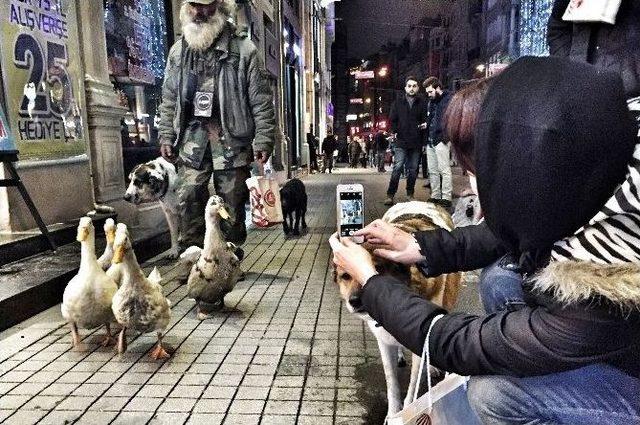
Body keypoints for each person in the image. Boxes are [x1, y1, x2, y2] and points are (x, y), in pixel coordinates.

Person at [329, 57, 640, 424]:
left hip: (625, 365)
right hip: (608, 340)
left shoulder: (607, 282)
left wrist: (372, 283)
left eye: (481, 168)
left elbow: (454, 343)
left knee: (493, 393)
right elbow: (511, 232)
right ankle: (532, 360)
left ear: (525, 166)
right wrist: (419, 246)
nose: (475, 187)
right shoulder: (598, 161)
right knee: (501, 275)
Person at [158, 0, 275, 253]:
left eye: (207, 6)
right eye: (194, 6)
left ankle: (228, 257)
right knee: (188, 196)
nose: (199, 12)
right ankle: (193, 258)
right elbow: (168, 97)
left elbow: (261, 100)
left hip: (231, 139)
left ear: (220, 7)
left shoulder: (245, 50)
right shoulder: (178, 52)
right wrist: (167, 134)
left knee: (231, 205)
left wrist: (264, 138)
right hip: (192, 140)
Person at [384, 76, 428, 205]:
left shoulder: (422, 102)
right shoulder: (398, 102)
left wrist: (424, 142)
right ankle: (390, 195)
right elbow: (392, 120)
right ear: (405, 88)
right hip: (401, 141)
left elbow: (425, 122)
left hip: (416, 142)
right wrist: (396, 131)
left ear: (418, 88)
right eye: (409, 86)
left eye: (414, 86)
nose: (412, 88)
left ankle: (410, 194)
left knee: (413, 169)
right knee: (397, 167)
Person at [422, 76, 452, 208]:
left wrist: (445, 136)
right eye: (427, 92)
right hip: (430, 139)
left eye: (430, 92)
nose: (428, 95)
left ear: (438, 88)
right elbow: (431, 119)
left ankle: (446, 197)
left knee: (444, 169)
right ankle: (435, 195)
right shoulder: (431, 102)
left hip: (441, 139)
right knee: (433, 170)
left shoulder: (448, 99)